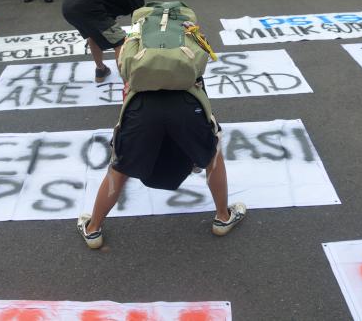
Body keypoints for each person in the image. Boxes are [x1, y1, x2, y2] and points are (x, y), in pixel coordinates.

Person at [77, 81, 247, 249]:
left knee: (120, 166)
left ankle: (93, 229)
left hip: (141, 106)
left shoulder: (132, 50)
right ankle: (223, 218)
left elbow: (126, 70)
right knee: (212, 154)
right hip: (186, 104)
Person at [62, 0, 156, 82]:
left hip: (69, 6)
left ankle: (101, 70)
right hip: (88, 9)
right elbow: (138, 24)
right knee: (121, 42)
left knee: (95, 35)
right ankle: (127, 83)